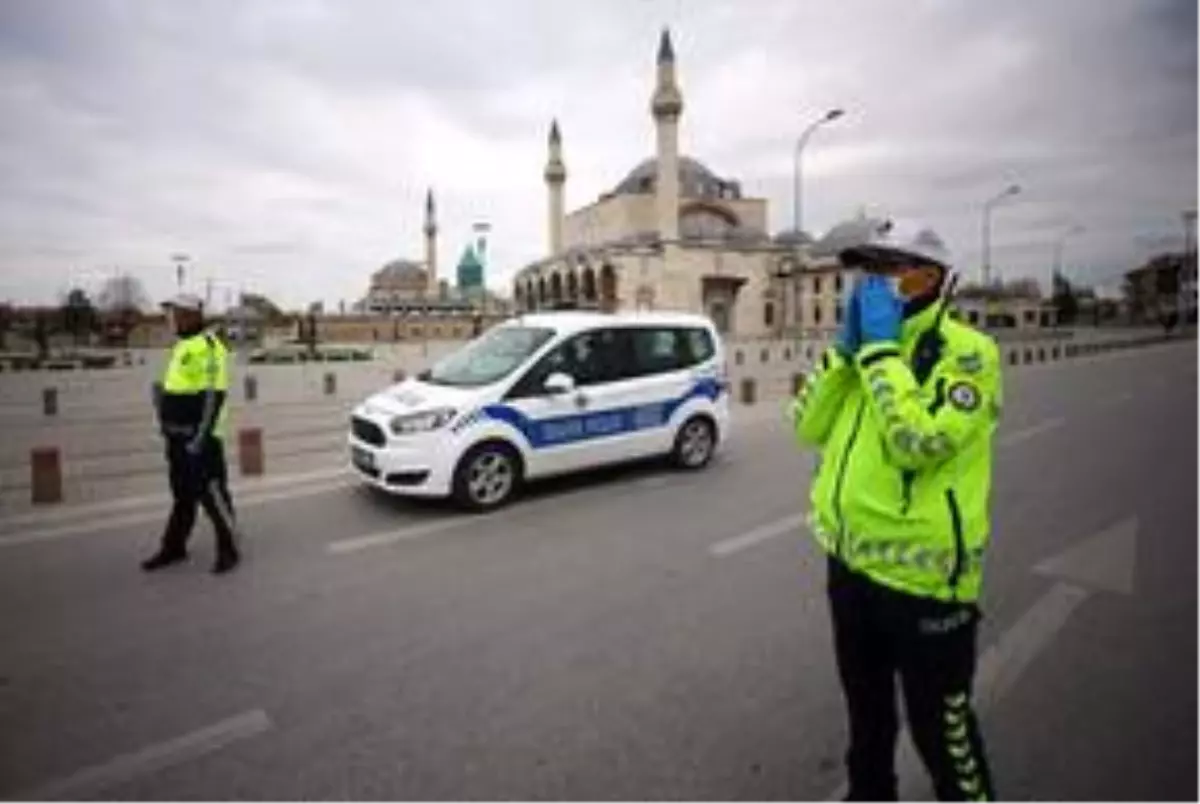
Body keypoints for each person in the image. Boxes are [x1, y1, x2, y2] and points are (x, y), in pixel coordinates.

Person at [790, 220, 1002, 803]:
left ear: (928, 278)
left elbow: (920, 441)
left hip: (925, 586)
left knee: (943, 738)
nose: (869, 283)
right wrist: (843, 355)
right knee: (868, 721)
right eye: (865, 270)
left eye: (886, 269)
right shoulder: (863, 356)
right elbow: (805, 425)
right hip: (850, 570)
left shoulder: (967, 354)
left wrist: (882, 352)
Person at [142, 293, 242, 575]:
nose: (170, 319)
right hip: (175, 437)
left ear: (190, 315)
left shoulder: (210, 347)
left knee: (213, 495)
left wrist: (200, 437)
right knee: (182, 495)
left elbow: (214, 396)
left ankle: (229, 548)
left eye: (174, 313)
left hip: (200, 440)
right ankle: (174, 547)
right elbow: (178, 389)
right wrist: (161, 405)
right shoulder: (182, 346)